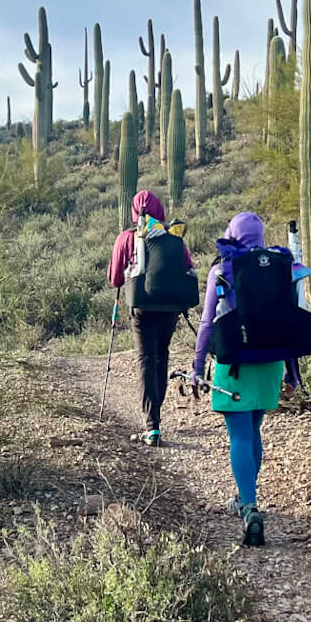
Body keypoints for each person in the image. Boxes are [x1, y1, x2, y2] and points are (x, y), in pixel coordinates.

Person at [191, 212, 311, 547]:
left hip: (235, 365)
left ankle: (249, 507)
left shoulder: (223, 269)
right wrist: (291, 369)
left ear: (233, 233)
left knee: (240, 436)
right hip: (272, 363)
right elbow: (291, 318)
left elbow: (206, 325)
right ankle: (246, 496)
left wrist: (197, 368)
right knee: (253, 431)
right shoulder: (281, 266)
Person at [107, 189, 197, 446]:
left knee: (145, 358)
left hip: (142, 308)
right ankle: (155, 414)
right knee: (161, 355)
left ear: (134, 211)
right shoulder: (173, 236)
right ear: (160, 210)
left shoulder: (127, 237)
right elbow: (187, 266)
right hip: (170, 307)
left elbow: (115, 279)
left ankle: (152, 424)